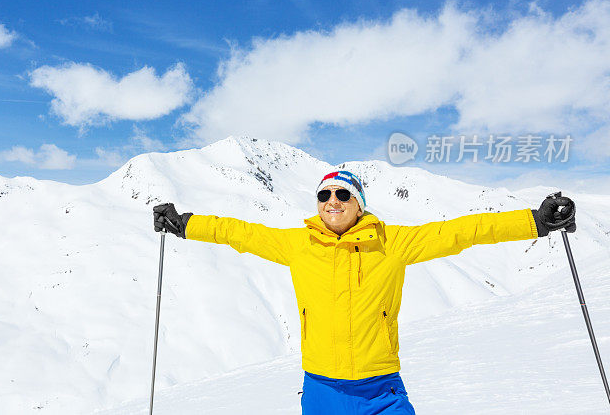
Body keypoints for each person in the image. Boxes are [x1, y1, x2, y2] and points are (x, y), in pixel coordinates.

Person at [153, 170, 576, 414]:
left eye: (342, 194)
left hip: (382, 391)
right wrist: (184, 224)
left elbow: (462, 231)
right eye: (324, 195)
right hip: (322, 390)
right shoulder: (297, 245)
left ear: (359, 204)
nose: (331, 201)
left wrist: (535, 222)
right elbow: (238, 233)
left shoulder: (392, 243)